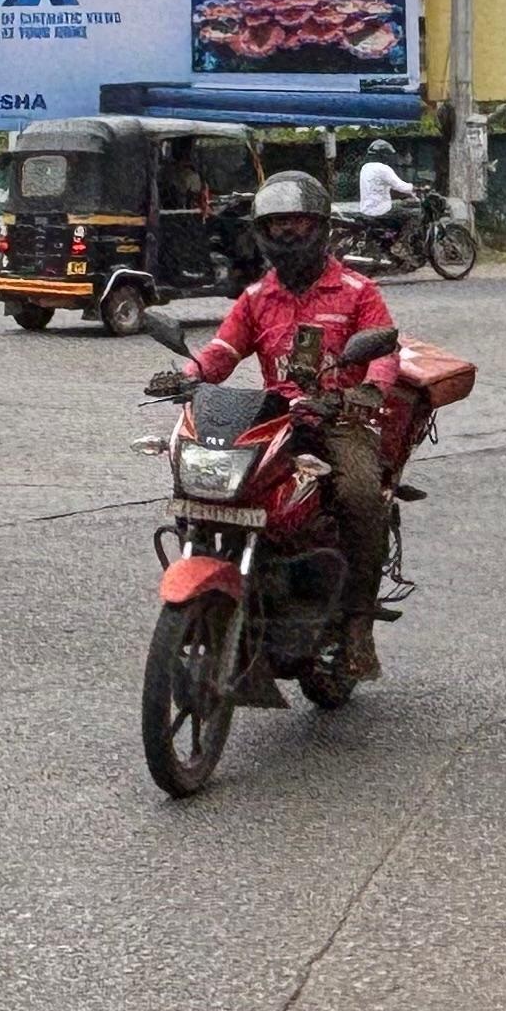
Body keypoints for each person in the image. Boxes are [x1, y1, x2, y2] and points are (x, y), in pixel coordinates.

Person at [182, 172, 399, 679]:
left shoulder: (356, 290)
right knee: (216, 488)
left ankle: (356, 625)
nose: (287, 233)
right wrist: (188, 375)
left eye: (297, 222)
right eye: (276, 224)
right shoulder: (257, 296)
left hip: (340, 417)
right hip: (276, 416)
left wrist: (363, 393)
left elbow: (384, 352)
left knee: (362, 497)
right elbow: (223, 350)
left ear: (320, 227)